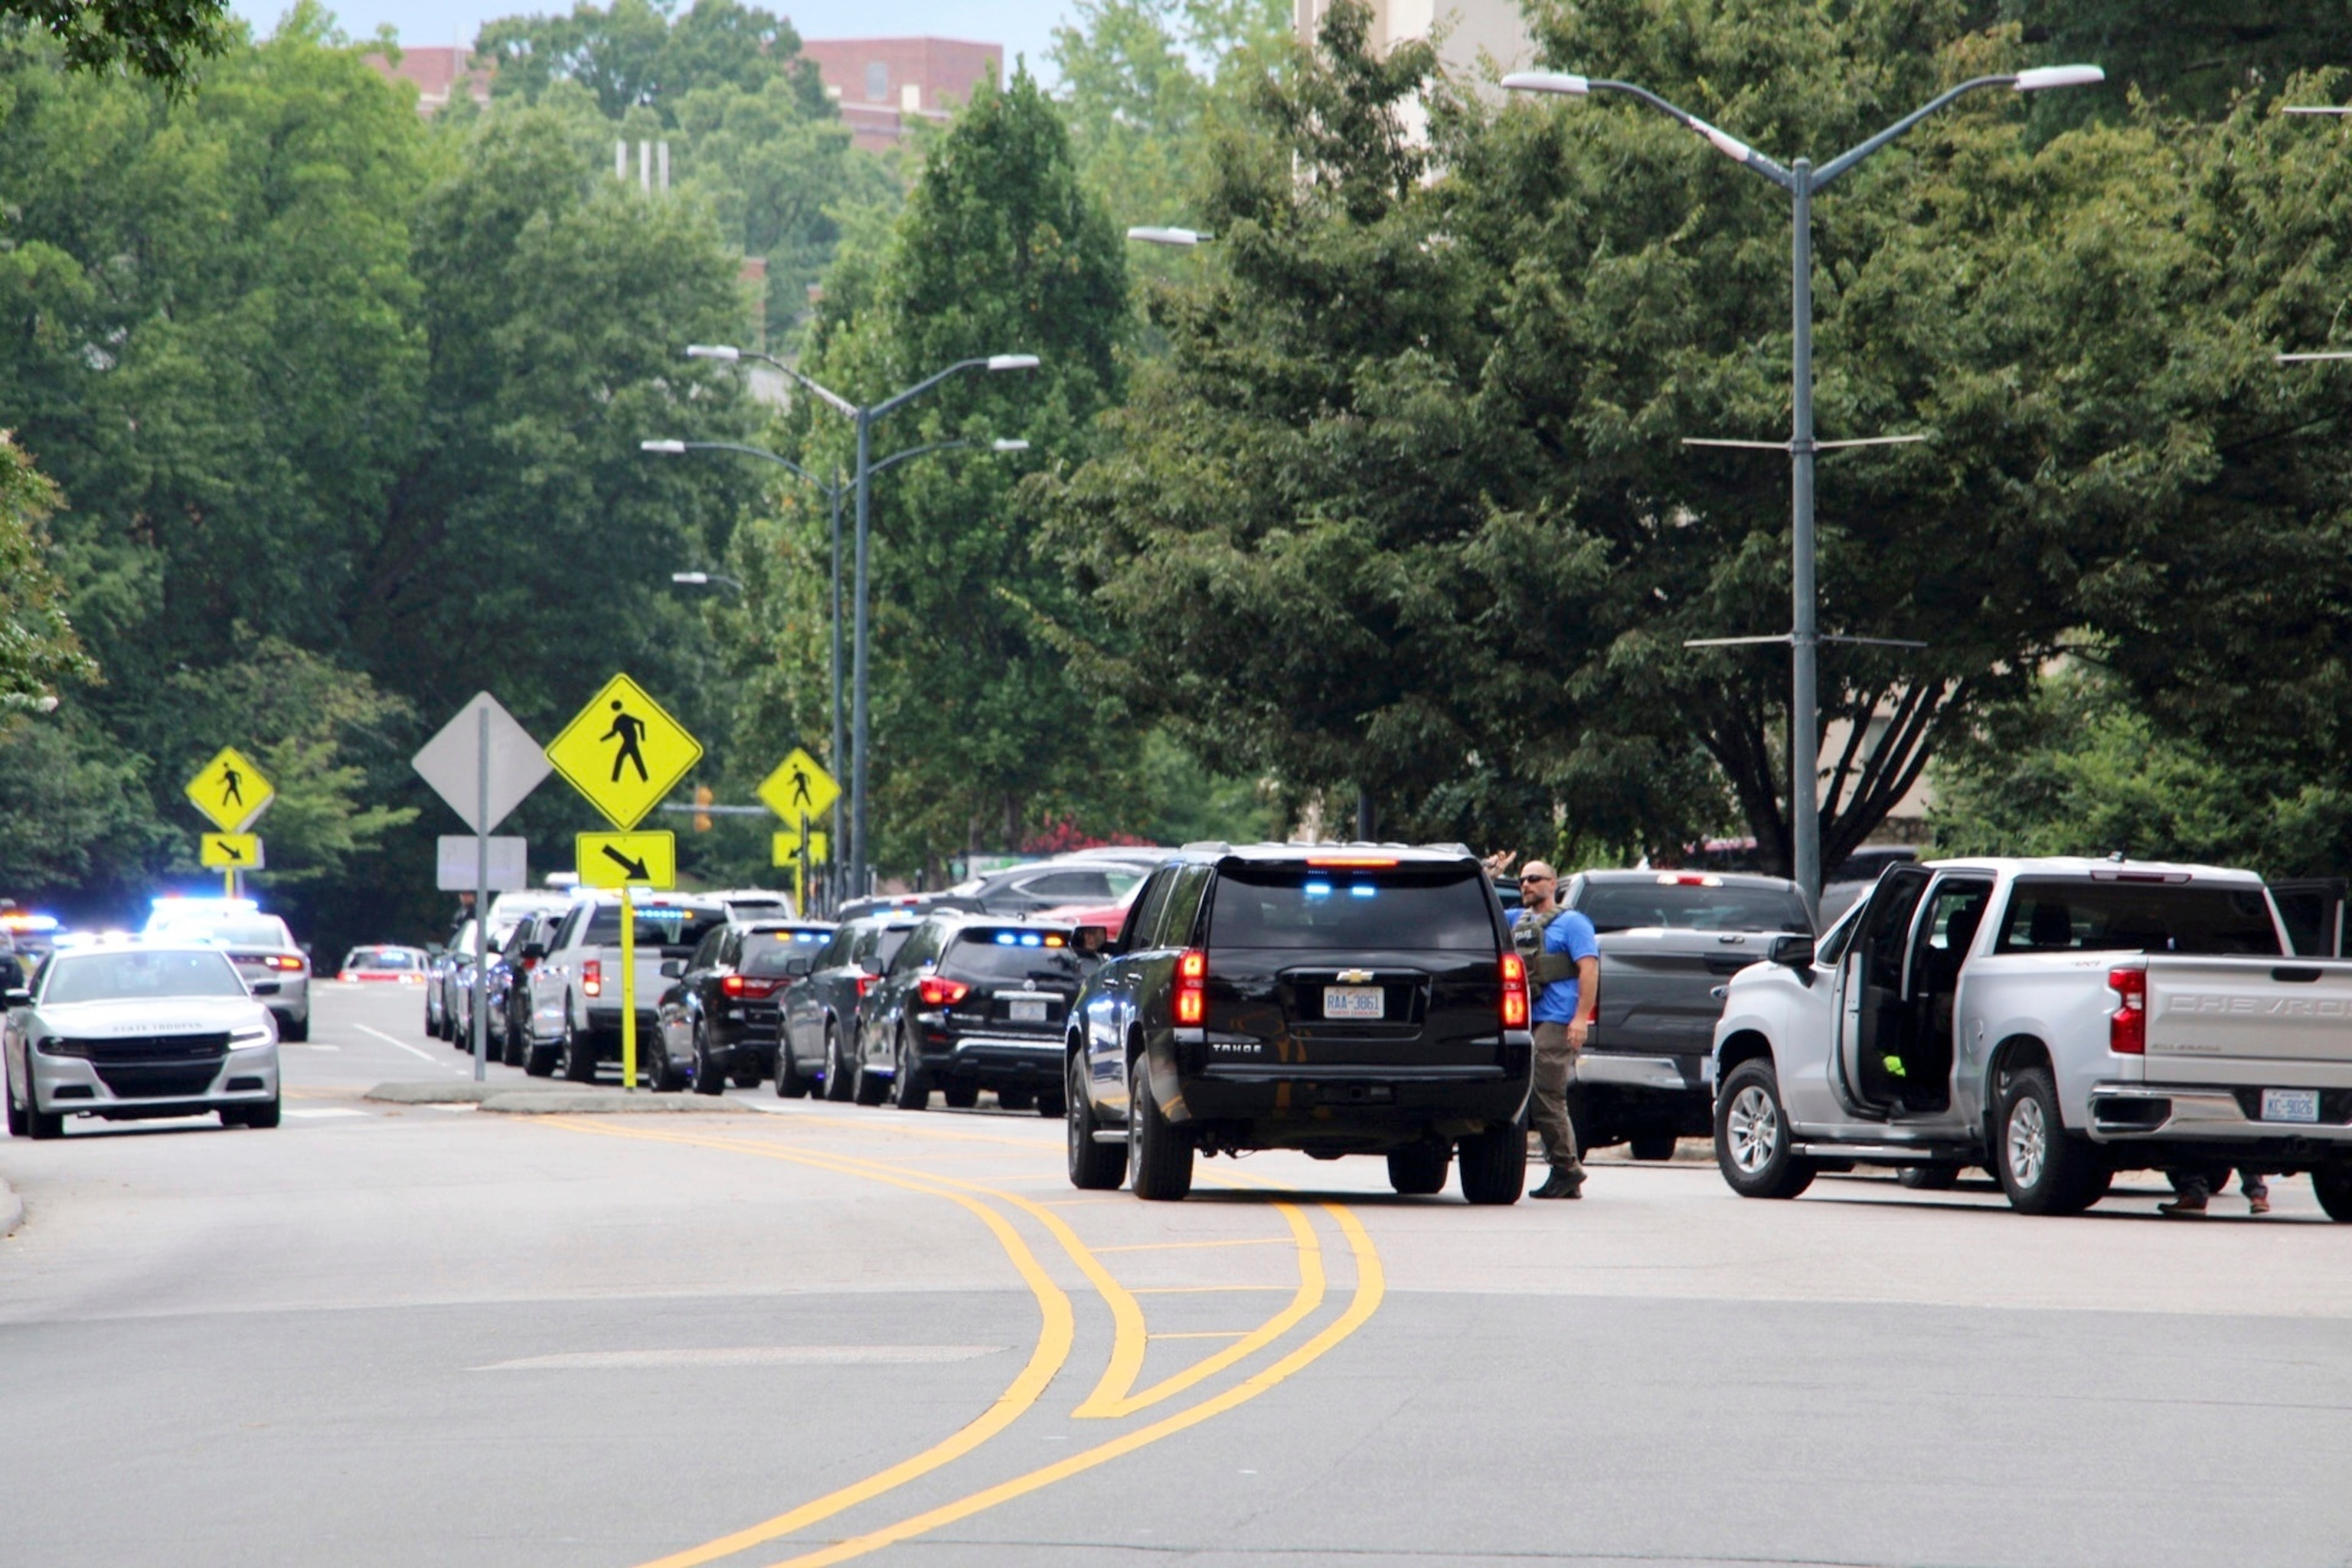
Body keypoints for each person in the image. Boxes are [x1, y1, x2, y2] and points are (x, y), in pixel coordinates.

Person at [1514, 861, 1601, 1200]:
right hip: (1527, 1018)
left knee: (1546, 1095)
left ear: (1552, 884)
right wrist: (1488, 873)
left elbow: (1589, 970)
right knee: (1534, 1095)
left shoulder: (1573, 923)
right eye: (1522, 880)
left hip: (1559, 1018)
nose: (1526, 885)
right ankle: (1565, 1174)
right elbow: (1480, 908)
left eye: (1534, 879)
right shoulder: (1517, 922)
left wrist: (1580, 1018)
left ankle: (1567, 1170)